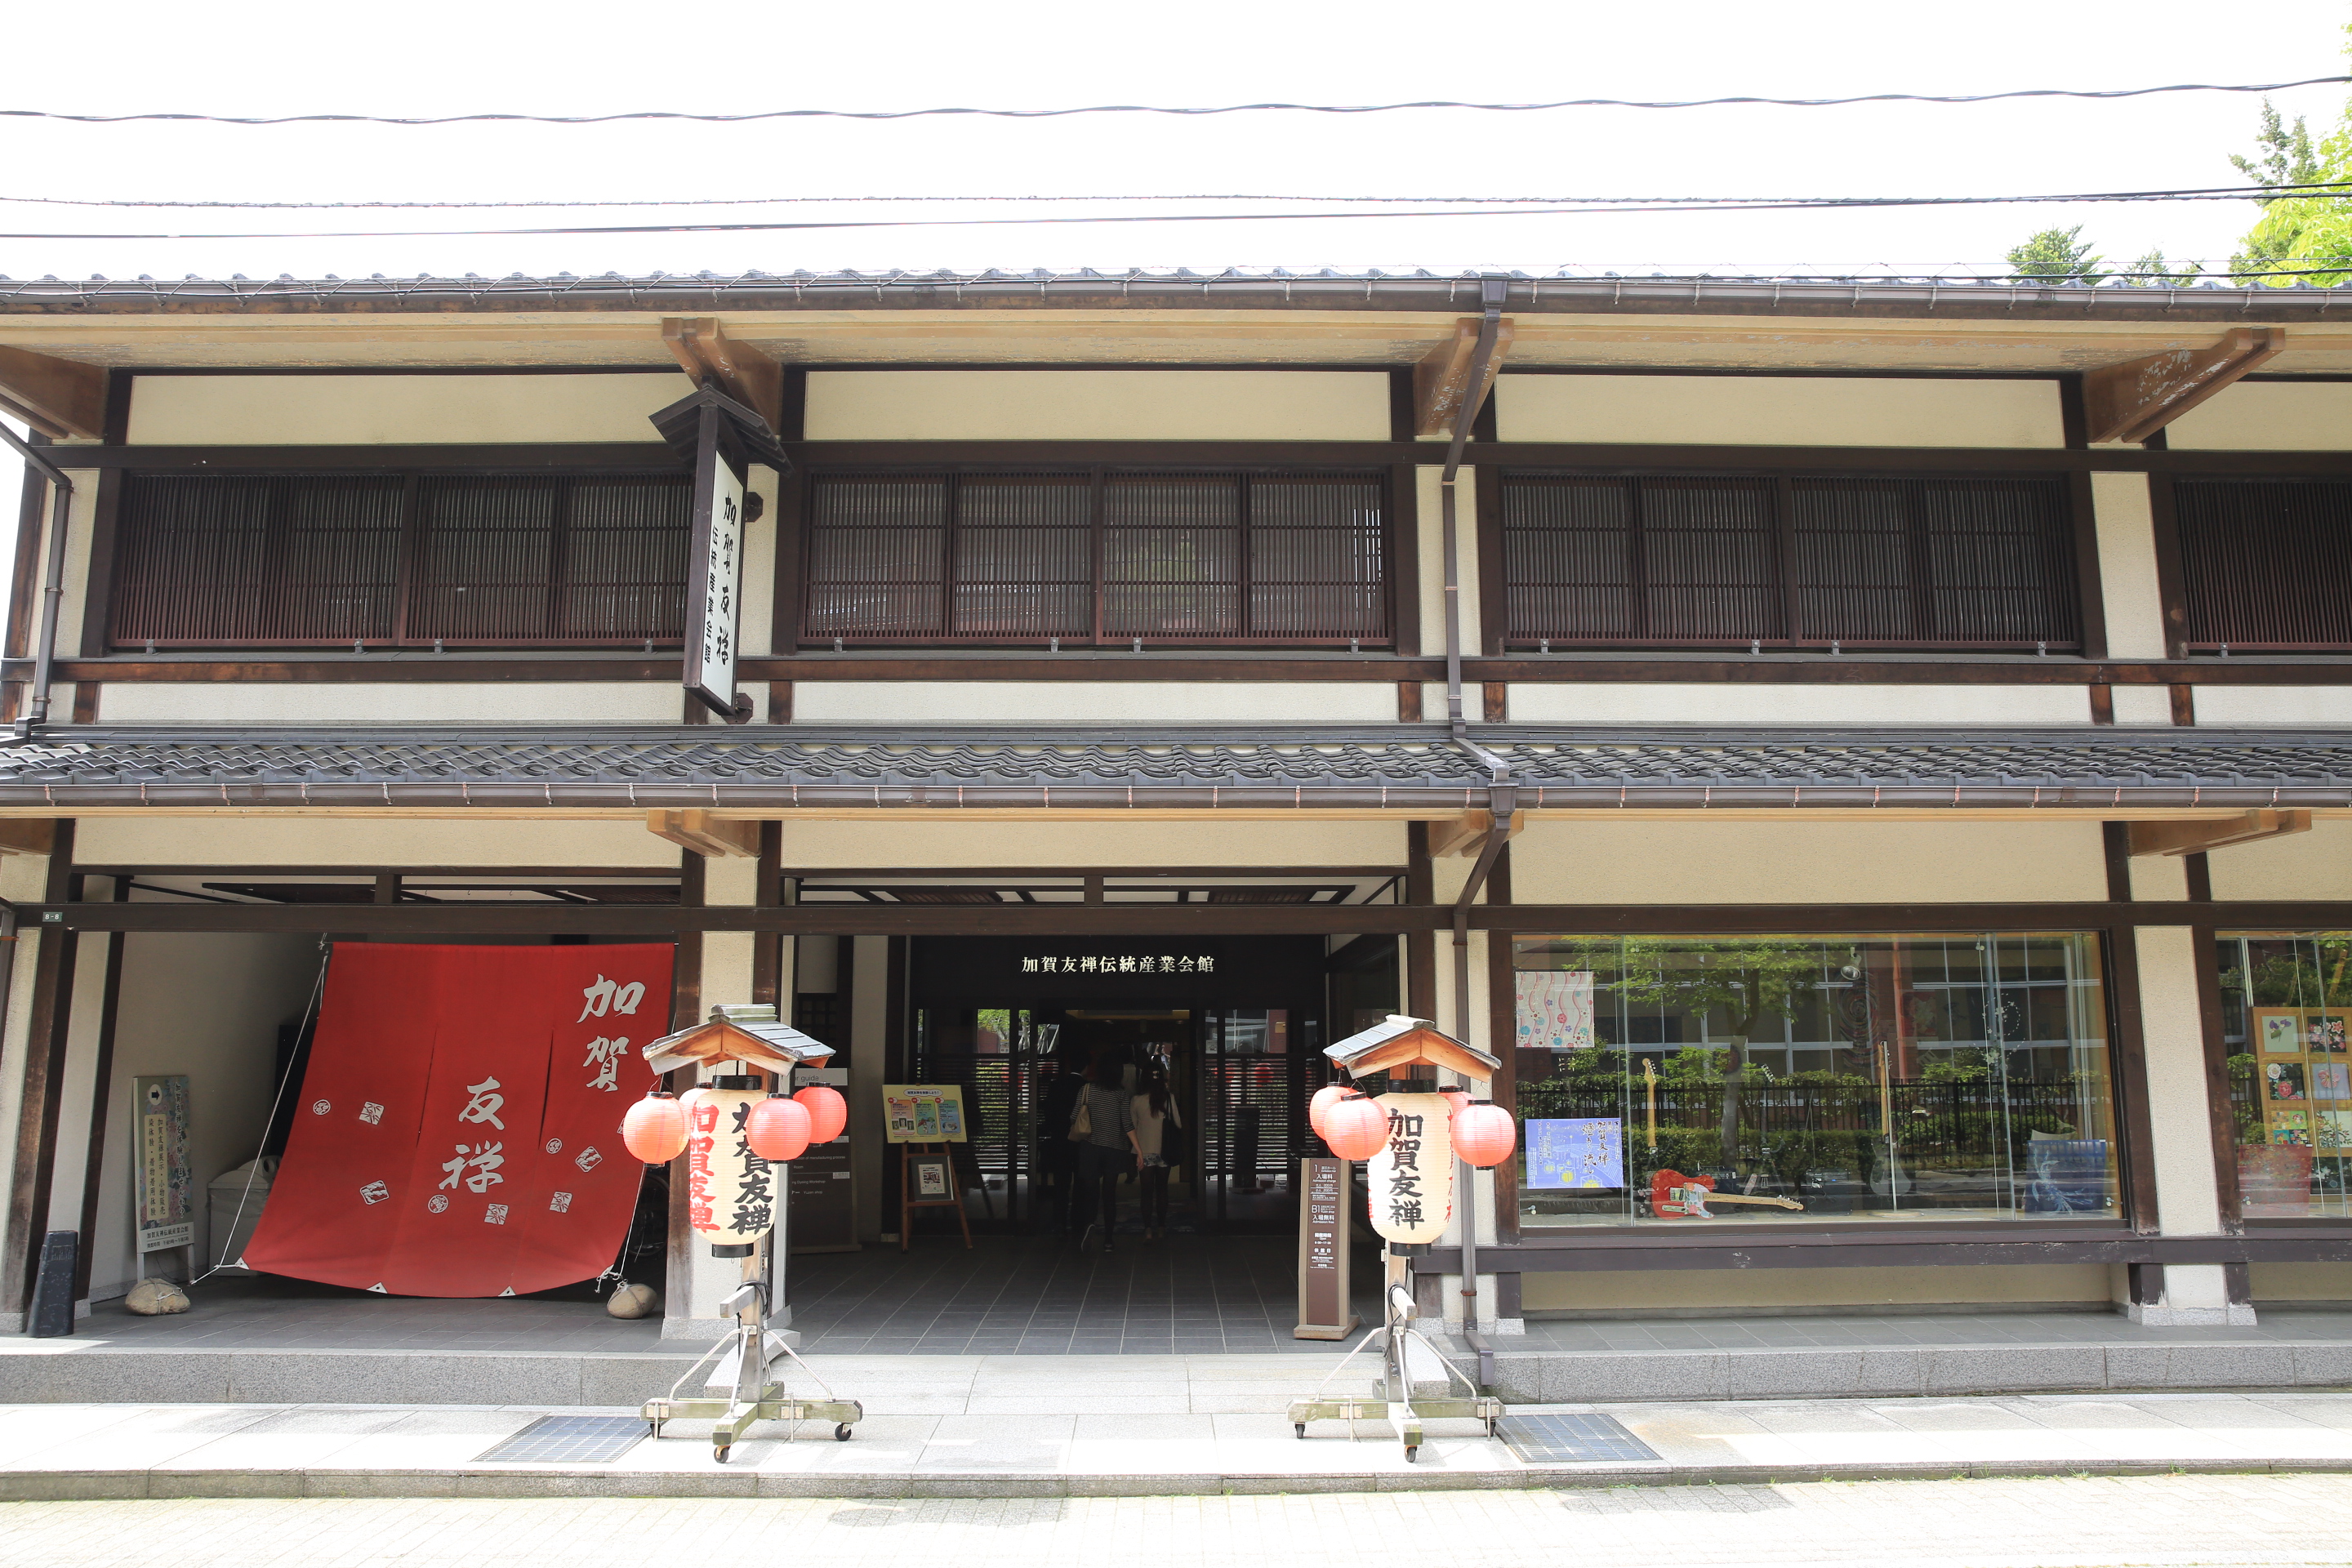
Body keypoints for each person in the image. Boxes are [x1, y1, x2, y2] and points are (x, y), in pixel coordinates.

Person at [1071, 1050, 1139, 1252]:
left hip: (1090, 1148)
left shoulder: (1086, 1089)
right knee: (1109, 1195)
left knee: (1091, 1192)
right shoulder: (1121, 1094)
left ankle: (1090, 1224)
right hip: (1114, 1149)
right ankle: (1109, 1240)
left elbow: (1074, 1117)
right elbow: (1127, 1124)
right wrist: (1138, 1150)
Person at [1036, 1049, 1086, 1236]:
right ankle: (1078, 1221)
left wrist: (1053, 1130)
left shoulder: (1056, 1085)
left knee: (1061, 1183)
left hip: (1059, 1139)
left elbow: (1048, 1111)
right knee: (1081, 1182)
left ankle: (1059, 1221)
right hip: (1081, 1140)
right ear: (1087, 1067)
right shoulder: (1087, 1087)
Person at [1130, 1058, 1181, 1243]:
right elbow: (1178, 1124)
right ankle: (1161, 1227)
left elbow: (1132, 1127)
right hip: (1164, 1150)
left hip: (1144, 1151)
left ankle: (1147, 1230)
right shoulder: (1169, 1098)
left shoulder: (1136, 1100)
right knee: (1162, 1190)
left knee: (1146, 1192)